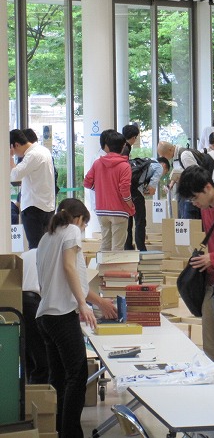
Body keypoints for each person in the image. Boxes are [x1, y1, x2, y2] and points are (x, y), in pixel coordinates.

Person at [36, 198, 117, 438]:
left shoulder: (46, 238)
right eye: (84, 225)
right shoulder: (71, 231)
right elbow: (70, 268)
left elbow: (71, 280)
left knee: (59, 376)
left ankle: (59, 429)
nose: (82, 230)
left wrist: (98, 301)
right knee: (77, 374)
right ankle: (71, 432)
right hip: (61, 315)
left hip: (45, 317)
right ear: (79, 219)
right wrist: (83, 305)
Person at [177, 166, 214, 372]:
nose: (195, 204)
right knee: (212, 347)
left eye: (195, 198)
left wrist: (213, 257)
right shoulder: (205, 208)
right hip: (213, 282)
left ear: (208, 187)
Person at [84, 130, 135, 251]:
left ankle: (101, 270)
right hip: (119, 210)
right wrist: (130, 204)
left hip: (102, 210)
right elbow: (124, 189)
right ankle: (115, 270)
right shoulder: (124, 166)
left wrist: (101, 189)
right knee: (117, 247)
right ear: (123, 146)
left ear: (107, 146)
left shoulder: (98, 163)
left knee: (105, 244)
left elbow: (87, 182)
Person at [9, 129, 55, 249]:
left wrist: (10, 157)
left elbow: (15, 176)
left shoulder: (32, 155)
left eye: (13, 150)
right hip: (47, 206)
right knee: (45, 247)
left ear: (16, 145)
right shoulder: (44, 150)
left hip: (33, 207)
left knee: (35, 248)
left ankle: (35, 268)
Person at [124, 157, 170, 251]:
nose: (162, 175)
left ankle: (128, 248)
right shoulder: (159, 167)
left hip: (126, 192)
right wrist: (150, 190)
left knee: (128, 222)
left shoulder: (146, 161)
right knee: (140, 222)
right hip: (136, 193)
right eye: (165, 172)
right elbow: (151, 190)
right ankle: (141, 249)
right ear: (164, 166)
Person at [157, 140, 206, 219]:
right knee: (183, 220)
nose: (164, 158)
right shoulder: (175, 156)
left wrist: (182, 177)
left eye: (164, 155)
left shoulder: (184, 155)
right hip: (184, 193)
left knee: (189, 221)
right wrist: (171, 184)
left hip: (192, 194)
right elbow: (178, 171)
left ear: (170, 149)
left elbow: (196, 174)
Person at [21, 248, 49, 384]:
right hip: (34, 303)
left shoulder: (25, 255)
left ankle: (30, 395)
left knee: (30, 356)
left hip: (19, 304)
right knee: (42, 360)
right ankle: (39, 399)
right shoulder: (49, 252)